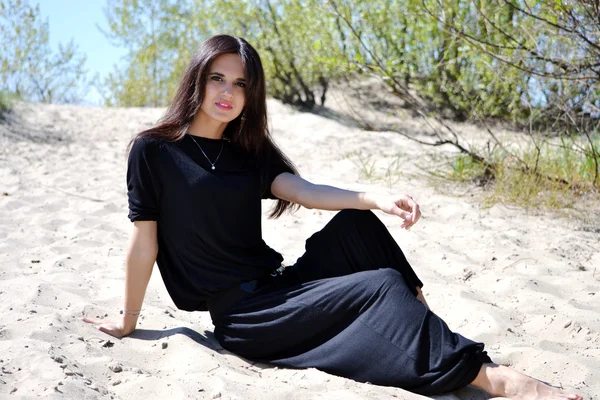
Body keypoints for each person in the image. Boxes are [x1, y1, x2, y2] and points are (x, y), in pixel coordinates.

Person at [83, 34, 582, 399]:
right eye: (218, 77)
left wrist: (374, 196)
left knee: (357, 227)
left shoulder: (247, 151)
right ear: (198, 77)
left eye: (240, 83)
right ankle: (496, 379)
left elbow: (301, 189)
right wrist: (128, 322)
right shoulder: (153, 151)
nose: (228, 92)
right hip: (243, 319)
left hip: (277, 287)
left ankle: (428, 336)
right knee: (381, 284)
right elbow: (143, 242)